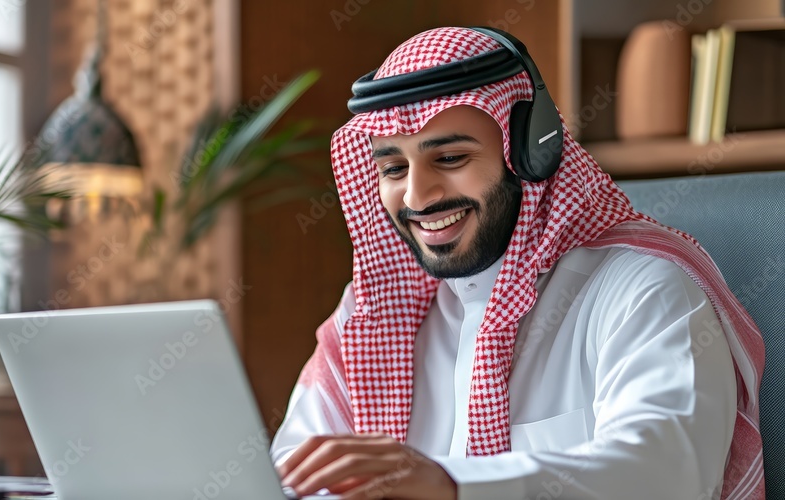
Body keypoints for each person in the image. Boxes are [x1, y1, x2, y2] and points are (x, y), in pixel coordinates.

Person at [270, 27, 765, 500]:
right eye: (394, 168)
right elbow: (294, 471)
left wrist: (450, 484)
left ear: (531, 153)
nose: (417, 196)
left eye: (449, 159)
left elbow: (665, 474)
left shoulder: (643, 290)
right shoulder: (374, 313)